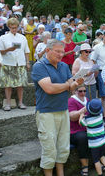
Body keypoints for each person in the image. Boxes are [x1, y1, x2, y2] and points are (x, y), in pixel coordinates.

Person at [31, 39, 84, 176]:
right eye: (57, 51)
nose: (61, 54)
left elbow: (71, 86)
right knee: (49, 149)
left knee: (63, 147)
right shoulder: (39, 66)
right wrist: (68, 85)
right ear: (48, 50)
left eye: (62, 51)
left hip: (63, 110)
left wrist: (77, 82)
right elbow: (49, 88)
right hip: (46, 112)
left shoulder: (64, 66)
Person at [0, 18, 30, 111]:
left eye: (15, 27)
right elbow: (0, 51)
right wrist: (8, 49)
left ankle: (20, 102)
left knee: (20, 85)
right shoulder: (3, 38)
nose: (14, 29)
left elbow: (26, 51)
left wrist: (27, 62)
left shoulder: (22, 37)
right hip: (8, 63)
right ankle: (8, 103)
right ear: (9, 27)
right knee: (8, 85)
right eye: (12, 28)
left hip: (20, 63)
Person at [79, 99, 105, 176]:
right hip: (103, 141)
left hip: (95, 145)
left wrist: (81, 115)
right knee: (102, 155)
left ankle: (100, 174)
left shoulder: (87, 119)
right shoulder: (100, 116)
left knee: (96, 160)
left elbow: (81, 123)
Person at [68, 85, 89, 176]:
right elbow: (72, 117)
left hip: (87, 128)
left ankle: (100, 159)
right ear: (75, 92)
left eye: (84, 91)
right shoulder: (71, 101)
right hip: (74, 131)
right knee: (82, 138)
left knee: (104, 134)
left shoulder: (87, 100)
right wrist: (82, 110)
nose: (83, 93)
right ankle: (85, 166)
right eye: (80, 91)